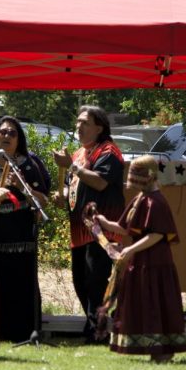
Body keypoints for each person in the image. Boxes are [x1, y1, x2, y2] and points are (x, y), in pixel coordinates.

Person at [92, 155, 186, 362]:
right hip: (139, 262)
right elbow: (124, 228)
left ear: (149, 177)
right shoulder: (140, 199)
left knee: (156, 304)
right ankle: (149, 347)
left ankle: (163, 351)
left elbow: (157, 234)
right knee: (141, 303)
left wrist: (130, 249)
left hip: (156, 262)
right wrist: (102, 222)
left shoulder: (157, 202)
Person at [53, 106, 125, 342]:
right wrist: (61, 193)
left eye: (85, 122)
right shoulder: (79, 154)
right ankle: (97, 324)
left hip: (101, 231)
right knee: (80, 281)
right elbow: (73, 184)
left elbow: (101, 182)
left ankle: (98, 331)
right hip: (79, 231)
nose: (79, 127)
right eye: (77, 122)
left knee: (95, 281)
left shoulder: (109, 151)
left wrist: (72, 166)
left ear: (99, 127)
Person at [0, 116, 51, 342]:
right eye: (2, 132)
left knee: (20, 285)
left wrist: (20, 185)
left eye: (12, 133)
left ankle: (25, 332)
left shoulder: (30, 164)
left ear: (19, 138)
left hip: (21, 236)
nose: (6, 136)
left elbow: (43, 201)